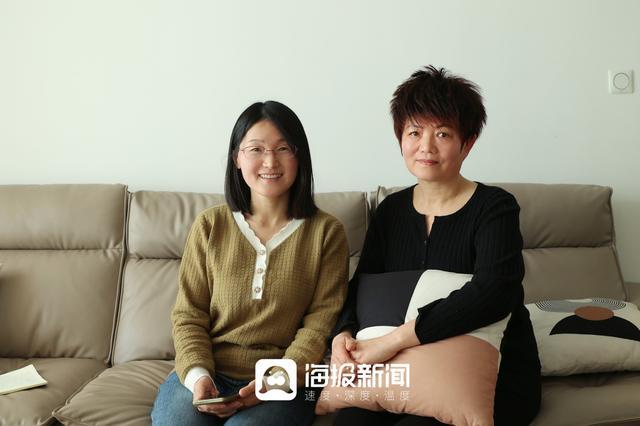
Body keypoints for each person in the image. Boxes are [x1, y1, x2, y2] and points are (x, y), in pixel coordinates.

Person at [330, 66, 541, 426]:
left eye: (442, 133)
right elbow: (363, 284)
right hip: (401, 369)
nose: (426, 146)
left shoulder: (495, 207)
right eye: (414, 132)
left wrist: (395, 340)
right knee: (349, 422)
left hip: (488, 373)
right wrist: (343, 334)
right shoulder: (391, 212)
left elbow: (494, 292)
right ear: (400, 138)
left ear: (467, 142)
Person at [152, 101, 349, 426]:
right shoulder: (210, 225)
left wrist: (273, 381)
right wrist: (200, 377)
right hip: (210, 372)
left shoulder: (327, 233)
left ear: (299, 156)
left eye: (282, 148)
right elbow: (188, 315)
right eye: (256, 149)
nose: (270, 161)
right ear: (237, 158)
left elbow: (319, 327)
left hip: (285, 380)